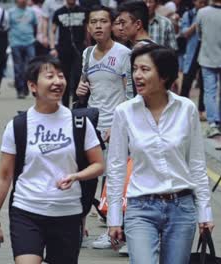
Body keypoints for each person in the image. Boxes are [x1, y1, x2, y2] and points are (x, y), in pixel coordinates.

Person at [0, 55, 104, 264]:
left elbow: (98, 165)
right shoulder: (18, 125)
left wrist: (76, 176)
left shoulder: (79, 123)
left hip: (68, 213)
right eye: (50, 76)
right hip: (27, 211)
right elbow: (4, 176)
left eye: (61, 76)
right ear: (33, 86)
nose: (57, 82)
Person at [107, 44, 214, 264]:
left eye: (145, 70)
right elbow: (116, 167)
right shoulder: (124, 112)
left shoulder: (186, 109)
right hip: (140, 208)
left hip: (181, 208)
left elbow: (196, 163)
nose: (137, 75)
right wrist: (114, 217)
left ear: (164, 75)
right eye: (135, 69)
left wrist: (205, 212)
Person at [75, 5, 131, 249]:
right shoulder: (87, 53)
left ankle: (117, 232)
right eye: (93, 22)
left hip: (115, 126)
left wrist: (120, 125)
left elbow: (131, 93)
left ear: (112, 25)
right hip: (91, 125)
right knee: (88, 180)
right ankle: (80, 226)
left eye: (103, 21)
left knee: (115, 180)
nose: (98, 26)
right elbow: (84, 84)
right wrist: (80, 89)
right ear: (88, 27)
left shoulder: (124, 54)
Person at [196, 0, 221, 137]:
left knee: (209, 92)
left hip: (207, 57)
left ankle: (212, 124)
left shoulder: (202, 13)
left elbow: (199, 35)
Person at [49, 0, 88, 107]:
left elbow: (87, 30)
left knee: (77, 76)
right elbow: (52, 31)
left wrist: (89, 46)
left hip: (79, 49)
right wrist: (52, 47)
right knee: (64, 77)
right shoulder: (59, 12)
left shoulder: (83, 11)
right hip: (63, 50)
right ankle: (65, 105)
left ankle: (76, 104)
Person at [179, 0, 207, 121]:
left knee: (204, 83)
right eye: (199, 2)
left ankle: (202, 110)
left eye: (203, 3)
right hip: (192, 52)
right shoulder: (189, 14)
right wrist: (196, 24)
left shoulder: (208, 14)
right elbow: (184, 33)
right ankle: (182, 109)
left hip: (206, 52)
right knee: (186, 82)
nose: (201, 4)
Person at [9, 0, 38, 99]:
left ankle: (27, 86)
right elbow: (7, 27)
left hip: (29, 42)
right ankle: (20, 89)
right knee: (18, 67)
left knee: (31, 66)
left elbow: (35, 26)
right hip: (15, 42)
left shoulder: (31, 12)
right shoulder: (11, 12)